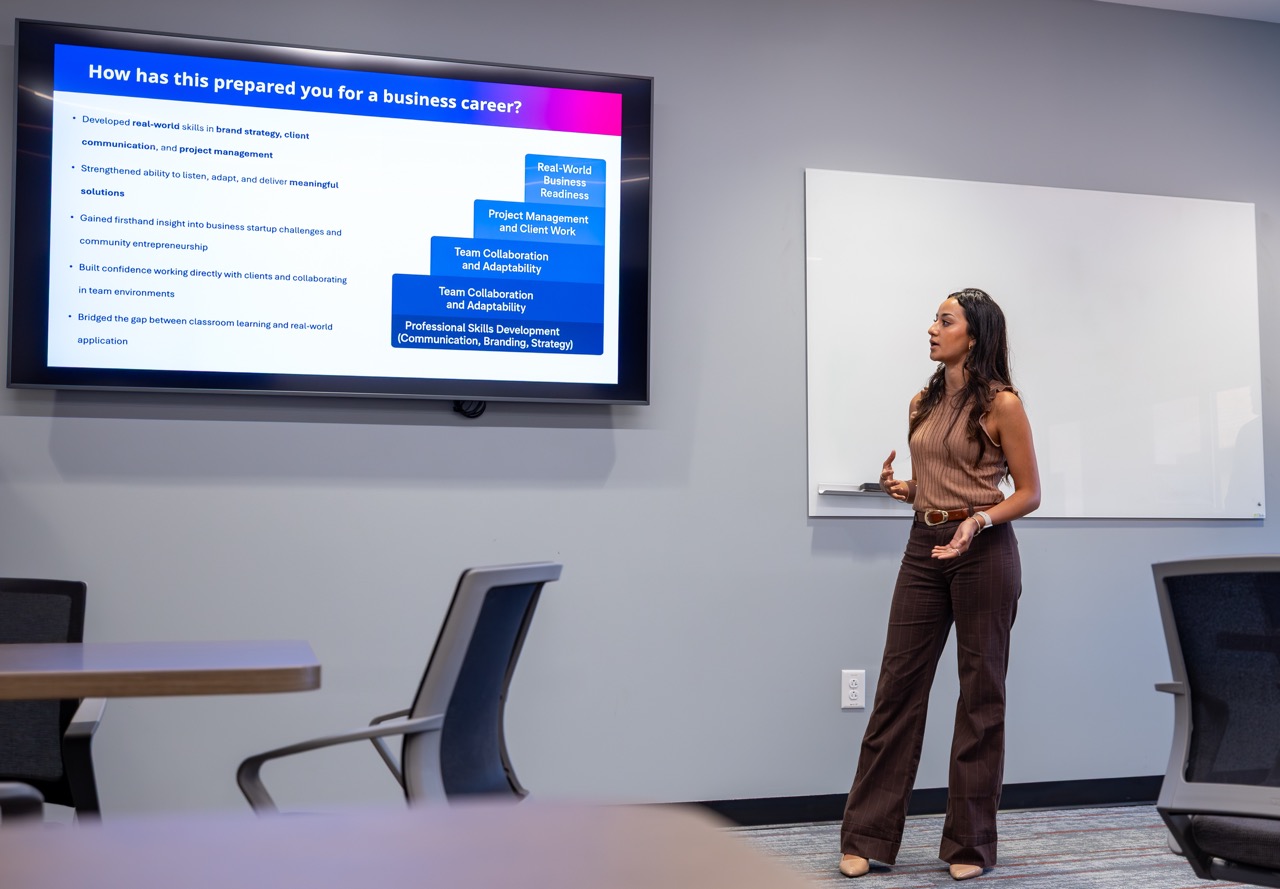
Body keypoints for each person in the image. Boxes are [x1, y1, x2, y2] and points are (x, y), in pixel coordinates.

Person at [838, 288, 1041, 882]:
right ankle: (867, 837)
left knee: (981, 697)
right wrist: (911, 490)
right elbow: (942, 478)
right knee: (897, 691)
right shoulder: (921, 402)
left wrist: (977, 519)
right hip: (925, 550)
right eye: (934, 319)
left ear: (972, 336)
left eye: (944, 320)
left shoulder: (1003, 404)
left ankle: (969, 846)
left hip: (984, 552)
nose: (931, 328)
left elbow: (1028, 494)